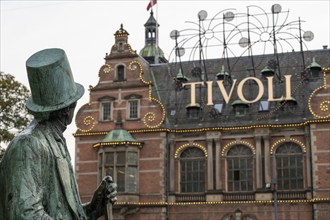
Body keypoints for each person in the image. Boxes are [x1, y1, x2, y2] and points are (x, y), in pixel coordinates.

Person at [0, 48, 117, 220]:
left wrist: (94, 207)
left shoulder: (55, 142)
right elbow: (24, 214)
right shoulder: (28, 144)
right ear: (69, 108)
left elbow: (62, 214)